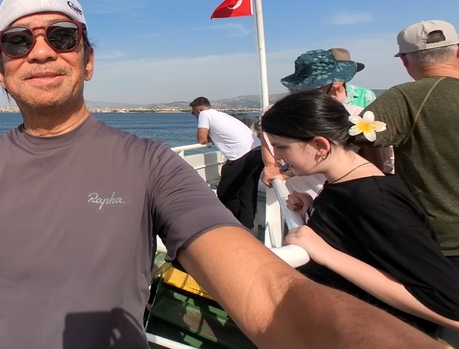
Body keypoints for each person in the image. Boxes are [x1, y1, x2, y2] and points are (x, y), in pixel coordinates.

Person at [0, 0, 443, 348]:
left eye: (63, 37)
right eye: (17, 42)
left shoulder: (150, 166)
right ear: (1, 70)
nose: (41, 51)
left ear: (88, 60)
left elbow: (269, 292)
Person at [261, 91, 459, 338]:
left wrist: (327, 254)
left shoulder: (374, 200)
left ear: (320, 146)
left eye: (282, 147)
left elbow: (449, 305)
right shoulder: (343, 185)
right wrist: (311, 209)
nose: (278, 157)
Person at [359, 20, 459, 344]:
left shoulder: (406, 97)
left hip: (440, 241)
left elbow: (357, 135)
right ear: (458, 52)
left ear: (404, 61)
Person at [259, 49, 363, 196]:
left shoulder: (273, 116)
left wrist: (287, 172)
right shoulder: (355, 115)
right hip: (347, 198)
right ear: (333, 83)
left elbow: (272, 165)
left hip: (297, 199)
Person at [189, 97, 263, 229]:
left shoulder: (204, 114)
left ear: (198, 110)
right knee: (247, 194)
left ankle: (233, 223)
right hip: (257, 152)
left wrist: (207, 136)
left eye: (193, 113)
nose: (194, 116)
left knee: (225, 194)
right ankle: (246, 228)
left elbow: (201, 139)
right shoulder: (221, 115)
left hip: (241, 155)